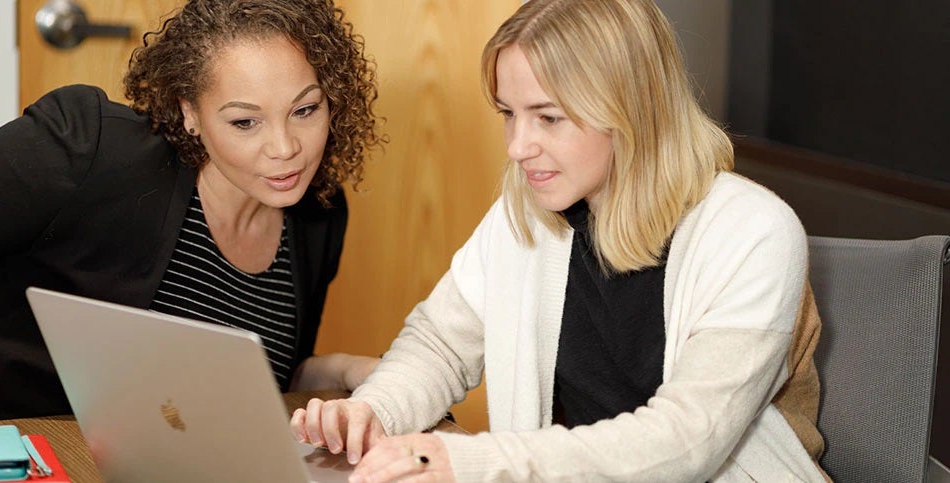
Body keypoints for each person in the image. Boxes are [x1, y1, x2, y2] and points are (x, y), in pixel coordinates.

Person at [290, 0, 831, 481]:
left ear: (632, 111)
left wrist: (472, 463)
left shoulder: (753, 232)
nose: (519, 147)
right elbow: (441, 344)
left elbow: (686, 442)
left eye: (548, 117)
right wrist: (374, 410)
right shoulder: (526, 212)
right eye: (509, 114)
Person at [0, 0, 384, 426]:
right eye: (244, 122)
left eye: (305, 109)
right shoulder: (87, 148)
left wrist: (342, 369)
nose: (286, 149)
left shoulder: (317, 214)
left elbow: (260, 379)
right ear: (190, 112)